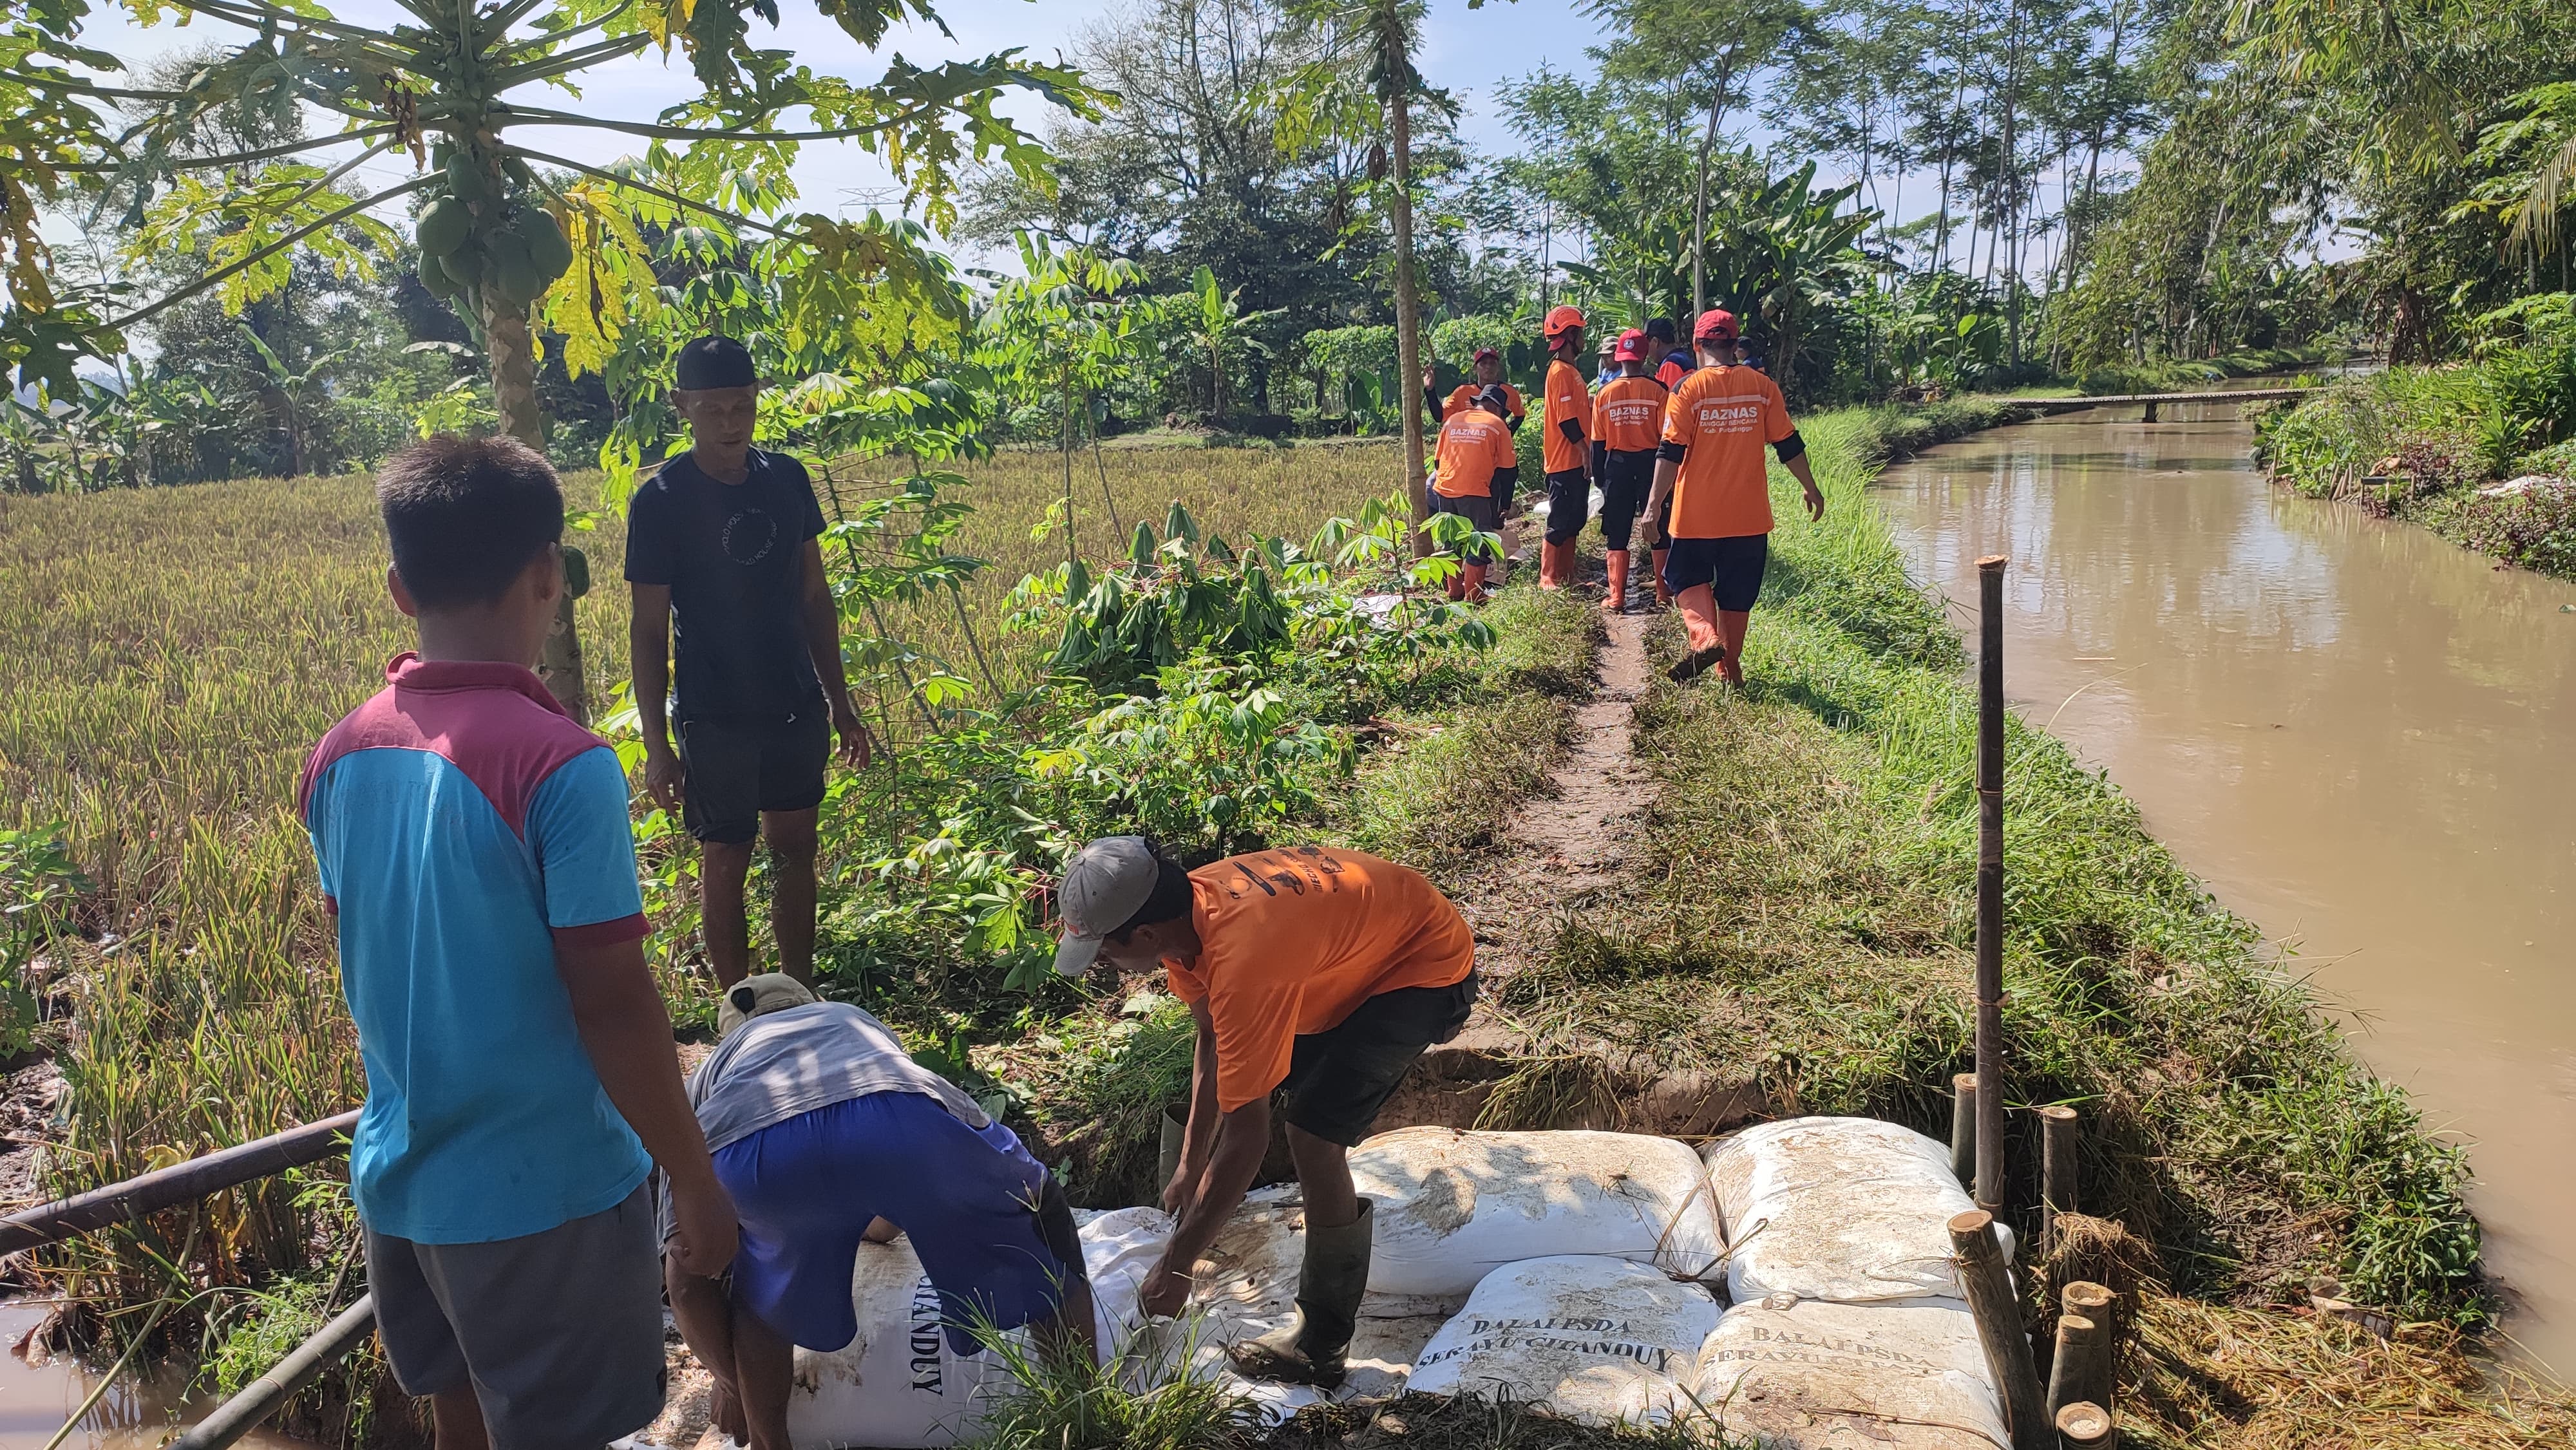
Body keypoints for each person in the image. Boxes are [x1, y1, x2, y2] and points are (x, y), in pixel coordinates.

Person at [301, 435, 737, 1450]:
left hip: (403, 1184)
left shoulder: (341, 753)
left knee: (462, 1421)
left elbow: (368, 944)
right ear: (550, 573)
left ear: (400, 588)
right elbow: (614, 1003)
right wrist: (697, 1184)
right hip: (544, 1196)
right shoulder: (562, 765)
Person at [1054, 838, 1477, 1388]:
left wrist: (1177, 1266)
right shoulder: (1187, 918)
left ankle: (1320, 1346)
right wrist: (1189, 1162)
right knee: (1272, 1094)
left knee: (1312, 1136)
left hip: (1418, 966)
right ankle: (1201, 1227)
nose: (1106, 966)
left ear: (1146, 934)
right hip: (1346, 956)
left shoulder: (1245, 957)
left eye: (1106, 952)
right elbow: (1213, 1034)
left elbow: (1249, 1139)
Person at [666, 974, 1095, 1450]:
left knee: (762, 1297)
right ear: (811, 1004)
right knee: (1040, 1210)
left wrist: (730, 1385)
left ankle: (769, 1441)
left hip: (753, 1156)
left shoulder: (706, 1080)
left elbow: (684, 1284)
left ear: (731, 1038)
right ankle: (1083, 1414)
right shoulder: (851, 1019)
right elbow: (879, 1145)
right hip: (898, 1118)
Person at [627, 335, 871, 988]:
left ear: (757, 400)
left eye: (742, 405)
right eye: (713, 409)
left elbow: (814, 596)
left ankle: (799, 989)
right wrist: (657, 744)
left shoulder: (786, 478)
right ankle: (737, 1012)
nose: (730, 422)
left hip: (793, 700)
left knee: (796, 850)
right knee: (725, 856)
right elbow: (648, 631)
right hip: (714, 713)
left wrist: (841, 705)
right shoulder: (662, 500)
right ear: (682, 407)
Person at [1644, 309, 1826, 685]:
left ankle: (1705, 638)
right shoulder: (1762, 387)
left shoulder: (1688, 390)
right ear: (1732, 344)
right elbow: (1787, 443)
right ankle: (1731, 669)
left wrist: (1652, 508)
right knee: (1737, 592)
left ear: (1698, 345)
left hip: (1696, 515)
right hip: (1749, 517)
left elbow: (1670, 450)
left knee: (1685, 576)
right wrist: (1810, 486)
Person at [1590, 330, 1669, 614]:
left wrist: (1600, 478)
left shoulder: (1604, 394)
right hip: (1651, 464)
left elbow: (1597, 442)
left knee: (1617, 531)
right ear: (1644, 355)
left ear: (1619, 357)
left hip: (1617, 466)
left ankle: (1616, 598)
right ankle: (1663, 593)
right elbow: (1666, 439)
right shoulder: (1659, 391)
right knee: (1658, 526)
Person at [1426, 384, 1519, 603]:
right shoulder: (1498, 425)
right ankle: (1474, 595)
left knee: (1452, 542)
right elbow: (1508, 471)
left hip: (1444, 489)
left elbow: (1438, 461)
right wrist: (1504, 504)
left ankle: (1454, 591)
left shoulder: (1453, 420)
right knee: (1479, 541)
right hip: (1475, 491)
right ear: (1497, 408)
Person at [1536, 305, 1592, 590]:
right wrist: (1584, 451)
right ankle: (1548, 577)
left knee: (1575, 521)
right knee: (1560, 522)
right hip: (1564, 461)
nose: (1584, 338)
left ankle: (1568, 576)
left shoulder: (1571, 372)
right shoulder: (1560, 372)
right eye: (1580, 333)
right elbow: (1567, 421)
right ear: (1571, 335)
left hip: (1575, 461)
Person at [1423, 347, 1526, 430]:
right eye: (1483, 363)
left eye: (1492, 363)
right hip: (1469, 446)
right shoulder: (1462, 392)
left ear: (1498, 368)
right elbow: (1439, 416)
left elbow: (1520, 415)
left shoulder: (1509, 392)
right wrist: (1430, 390)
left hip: (1496, 446)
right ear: (1475, 369)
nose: (1488, 367)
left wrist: (1507, 432)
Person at [1648, 316, 1694, 392]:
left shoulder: (1671, 364)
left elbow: (1670, 399)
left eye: (1647, 344)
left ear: (1655, 342)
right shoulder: (1681, 357)